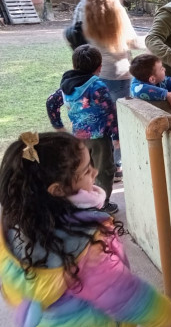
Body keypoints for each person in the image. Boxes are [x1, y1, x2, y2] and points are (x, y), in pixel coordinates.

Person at [0, 131, 171, 327]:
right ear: (58, 190)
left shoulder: (15, 223)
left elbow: (4, 270)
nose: (95, 172)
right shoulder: (86, 245)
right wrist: (164, 315)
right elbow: (120, 292)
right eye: (87, 171)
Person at [80, 0, 139, 183]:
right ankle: (117, 166)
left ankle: (100, 165)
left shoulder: (82, 8)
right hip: (119, 74)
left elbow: (78, 40)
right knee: (120, 123)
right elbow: (132, 41)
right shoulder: (116, 10)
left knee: (101, 122)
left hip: (94, 74)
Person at [46, 44, 119, 214]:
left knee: (83, 170)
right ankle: (103, 204)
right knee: (104, 170)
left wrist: (58, 126)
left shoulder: (66, 86)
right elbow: (110, 111)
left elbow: (51, 102)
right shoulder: (97, 86)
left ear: (74, 66)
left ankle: (84, 201)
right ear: (99, 68)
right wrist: (116, 136)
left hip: (78, 138)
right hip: (99, 138)